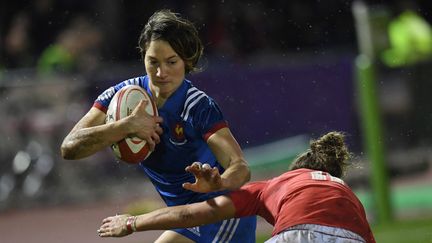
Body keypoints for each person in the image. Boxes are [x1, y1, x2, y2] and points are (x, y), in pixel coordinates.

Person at [60, 9, 256, 243]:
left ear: (187, 60)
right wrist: (126, 126)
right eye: (153, 62)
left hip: (221, 212)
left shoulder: (198, 106)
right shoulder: (120, 96)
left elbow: (240, 166)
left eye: (171, 62)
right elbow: (69, 148)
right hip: (181, 217)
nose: (161, 73)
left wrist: (220, 182)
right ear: (143, 56)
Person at [97, 131, 376, 243]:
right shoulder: (349, 196)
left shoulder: (273, 186)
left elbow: (190, 215)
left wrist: (132, 222)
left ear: (296, 170)